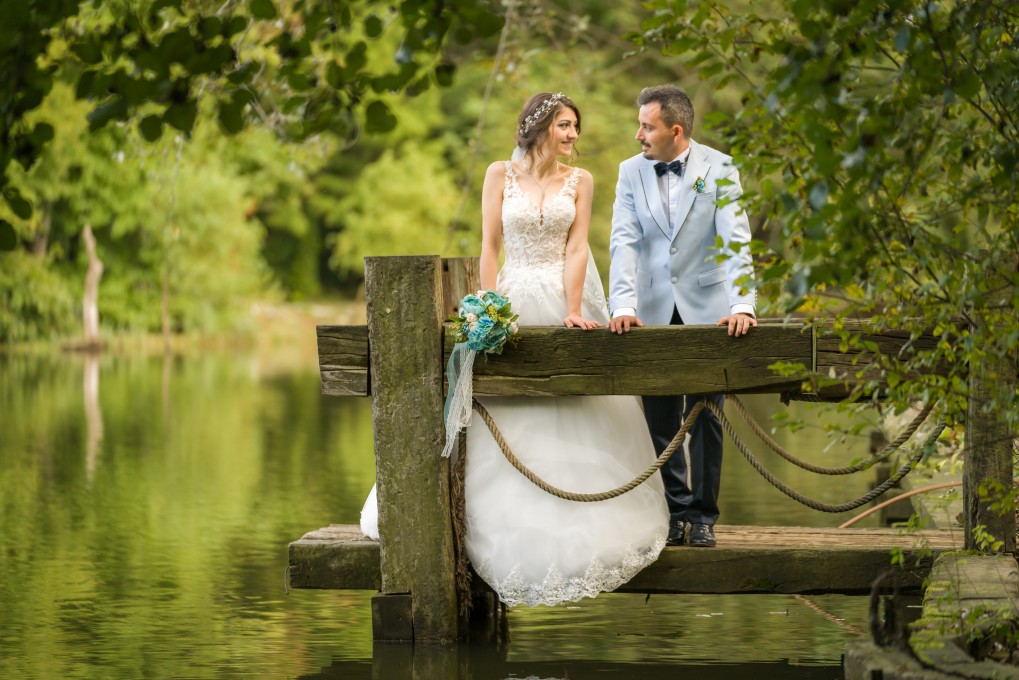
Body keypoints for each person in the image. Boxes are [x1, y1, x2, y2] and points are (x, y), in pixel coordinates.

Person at [361, 92, 669, 607]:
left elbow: (576, 247)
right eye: (566, 126)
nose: (574, 136)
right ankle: (478, 519)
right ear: (542, 125)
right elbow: (489, 244)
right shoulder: (498, 173)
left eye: (577, 128)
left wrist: (574, 307)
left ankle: (578, 518)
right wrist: (486, 305)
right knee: (499, 410)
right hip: (511, 297)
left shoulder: (582, 181)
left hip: (558, 296)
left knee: (568, 410)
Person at [607, 85, 756, 549]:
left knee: (708, 417)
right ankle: (673, 513)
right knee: (659, 418)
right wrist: (624, 305)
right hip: (649, 312)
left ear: (675, 130)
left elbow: (736, 242)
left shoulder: (721, 168)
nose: (638, 135)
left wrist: (742, 305)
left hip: (710, 313)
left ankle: (704, 517)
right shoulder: (629, 172)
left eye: (647, 126)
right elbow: (624, 242)